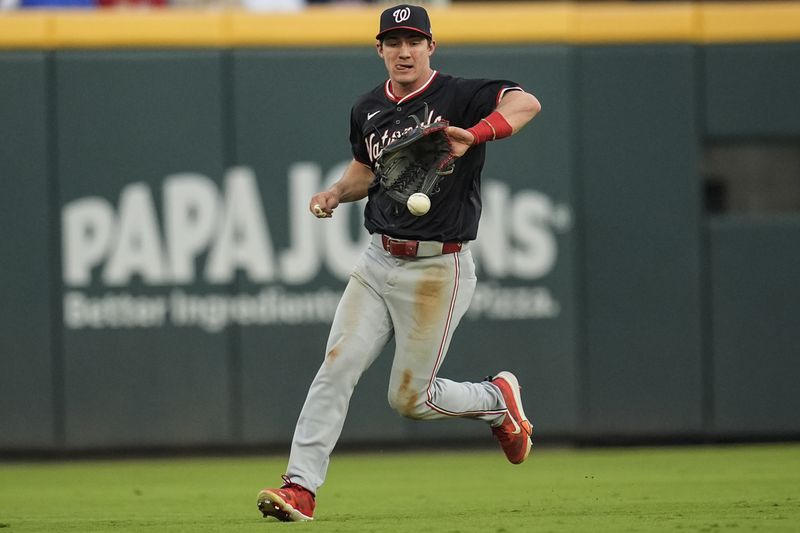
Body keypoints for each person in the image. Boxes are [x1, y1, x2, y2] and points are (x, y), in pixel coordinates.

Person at [257, 3, 541, 522]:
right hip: (378, 258)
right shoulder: (368, 107)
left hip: (438, 267)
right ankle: (300, 487)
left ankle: (496, 399)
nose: (404, 51)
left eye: (414, 41)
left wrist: (475, 134)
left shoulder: (459, 95)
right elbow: (369, 170)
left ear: (431, 47)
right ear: (380, 49)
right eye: (394, 42)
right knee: (336, 366)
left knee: (411, 400)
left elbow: (527, 105)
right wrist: (337, 192)